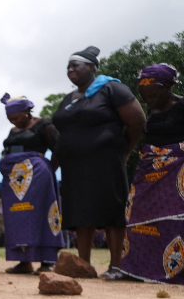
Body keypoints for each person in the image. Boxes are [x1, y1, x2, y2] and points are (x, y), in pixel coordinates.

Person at [52, 46, 146, 279]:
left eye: (76, 65)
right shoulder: (68, 98)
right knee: (81, 213)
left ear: (92, 67)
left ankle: (116, 265)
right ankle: (83, 265)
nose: (70, 69)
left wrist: (124, 150)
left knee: (111, 210)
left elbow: (138, 123)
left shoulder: (111, 88)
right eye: (68, 66)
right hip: (74, 166)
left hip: (105, 162)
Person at [120, 64, 184, 284]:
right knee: (136, 214)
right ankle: (136, 269)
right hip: (149, 169)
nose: (149, 100)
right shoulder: (152, 109)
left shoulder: (182, 105)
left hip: (177, 170)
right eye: (144, 96)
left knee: (174, 219)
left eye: (153, 94)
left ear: (167, 88)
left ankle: (173, 271)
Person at [0, 94, 63, 274]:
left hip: (38, 177)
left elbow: (58, 148)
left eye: (16, 117)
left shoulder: (44, 125)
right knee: (17, 218)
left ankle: (47, 261)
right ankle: (23, 261)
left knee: (42, 215)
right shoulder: (13, 131)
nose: (13, 122)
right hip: (14, 181)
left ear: (27, 111)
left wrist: (49, 169)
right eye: (10, 119)